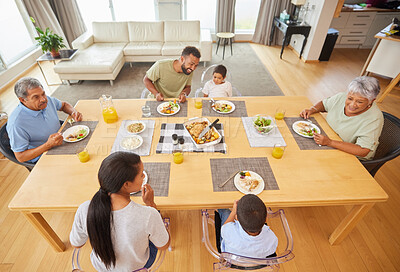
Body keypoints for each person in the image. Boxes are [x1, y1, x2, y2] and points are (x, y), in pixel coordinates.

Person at [70, 152, 170, 271]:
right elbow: (164, 245)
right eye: (141, 175)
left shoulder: (84, 209)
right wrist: (151, 205)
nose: (144, 176)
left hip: (102, 267)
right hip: (137, 267)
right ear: (126, 184)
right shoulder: (148, 214)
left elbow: (77, 244)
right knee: (156, 230)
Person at [300, 76, 383, 160]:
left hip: (351, 157)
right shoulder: (342, 97)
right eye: (350, 98)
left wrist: (330, 142)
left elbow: (363, 150)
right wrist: (312, 109)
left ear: (371, 101)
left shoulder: (374, 118)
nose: (352, 105)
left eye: (359, 102)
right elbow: (324, 104)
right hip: (328, 141)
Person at [6, 77, 82, 163]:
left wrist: (73, 112)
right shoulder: (16, 123)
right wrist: (48, 145)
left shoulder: (46, 100)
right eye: (36, 97)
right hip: (44, 156)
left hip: (64, 139)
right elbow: (21, 157)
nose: (43, 99)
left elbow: (63, 105)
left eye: (43, 94)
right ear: (22, 100)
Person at [215, 195, 278, 259]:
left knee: (225, 211)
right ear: (265, 220)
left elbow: (225, 226)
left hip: (230, 258)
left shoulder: (229, 232)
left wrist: (233, 211)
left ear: (236, 218)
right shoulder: (272, 239)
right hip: (255, 264)